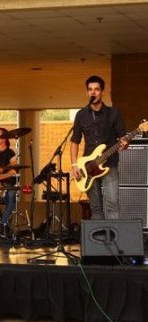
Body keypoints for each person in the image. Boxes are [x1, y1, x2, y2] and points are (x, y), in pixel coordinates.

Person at [70, 75, 128, 219]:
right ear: (87, 93)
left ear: (102, 92)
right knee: (95, 207)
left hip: (109, 163)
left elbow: (122, 138)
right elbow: (74, 141)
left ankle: (114, 239)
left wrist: (125, 143)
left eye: (96, 89)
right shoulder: (81, 115)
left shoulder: (113, 113)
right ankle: (99, 239)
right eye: (90, 90)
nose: (93, 92)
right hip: (88, 167)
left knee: (112, 204)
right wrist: (74, 165)